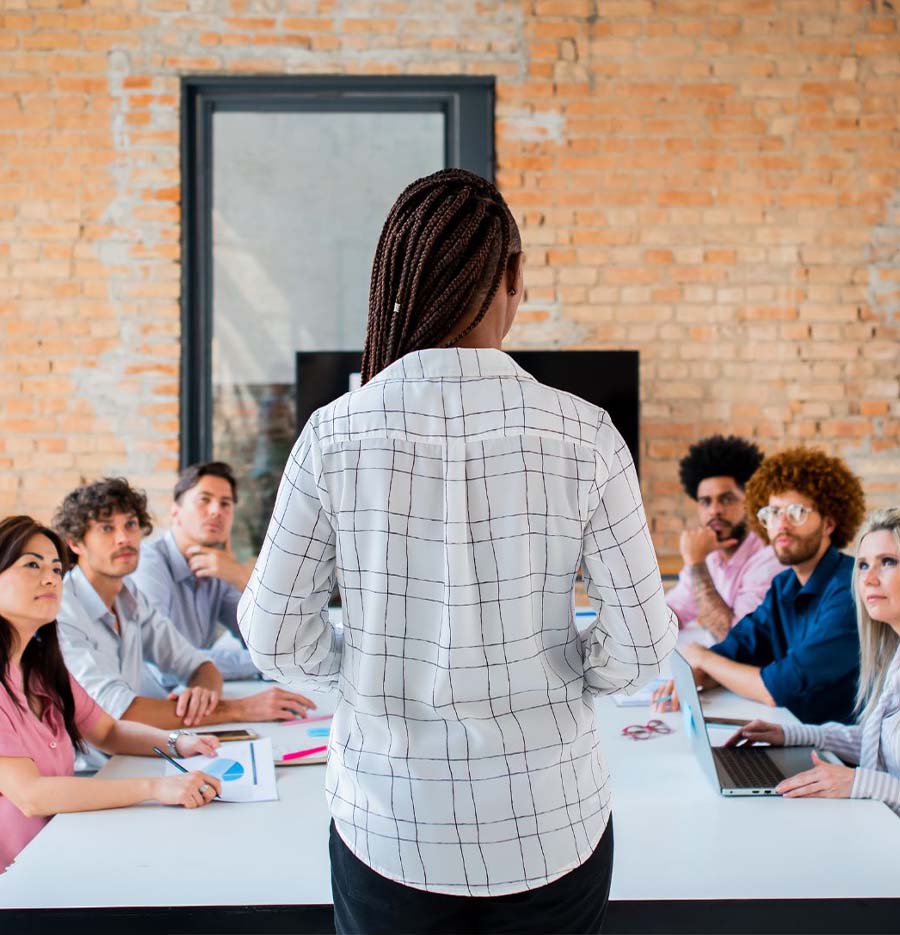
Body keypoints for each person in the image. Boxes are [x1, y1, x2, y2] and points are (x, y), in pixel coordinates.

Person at [238, 169, 677, 934]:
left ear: (397, 283)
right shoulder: (586, 434)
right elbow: (640, 647)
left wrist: (365, 670)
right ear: (513, 279)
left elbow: (273, 634)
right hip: (552, 823)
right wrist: (566, 674)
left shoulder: (332, 435)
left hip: (388, 829)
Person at [0, 516, 222, 872]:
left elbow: (107, 731)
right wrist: (156, 787)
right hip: (15, 889)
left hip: (57, 854)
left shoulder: (43, 671)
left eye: (57, 570)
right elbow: (31, 795)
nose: (51, 579)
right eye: (32, 565)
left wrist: (177, 742)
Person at [52, 478, 315, 768]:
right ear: (75, 542)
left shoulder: (129, 597)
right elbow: (118, 712)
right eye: (106, 528)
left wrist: (202, 695)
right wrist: (238, 709)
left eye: (130, 524)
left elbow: (200, 665)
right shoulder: (63, 613)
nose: (124, 538)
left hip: (138, 757)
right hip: (89, 774)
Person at [653, 447, 865, 725]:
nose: (781, 525)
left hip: (843, 757)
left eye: (796, 512)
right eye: (773, 512)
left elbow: (777, 689)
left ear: (829, 523)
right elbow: (739, 647)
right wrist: (697, 672)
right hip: (792, 733)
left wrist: (702, 659)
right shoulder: (785, 586)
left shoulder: (850, 589)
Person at [727, 508, 900, 813]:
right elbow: (881, 746)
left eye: (888, 562)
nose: (869, 579)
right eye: (862, 565)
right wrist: (795, 734)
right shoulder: (892, 655)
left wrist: (861, 783)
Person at [131, 461, 258, 680]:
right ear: (175, 512)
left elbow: (265, 642)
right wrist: (262, 666)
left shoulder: (218, 566)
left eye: (225, 503)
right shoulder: (148, 563)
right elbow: (164, 662)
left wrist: (242, 578)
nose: (216, 510)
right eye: (204, 500)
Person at [665, 435, 783, 643]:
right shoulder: (710, 555)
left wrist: (695, 563)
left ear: (750, 501)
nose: (714, 511)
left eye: (726, 499)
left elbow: (735, 639)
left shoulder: (770, 557)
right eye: (705, 502)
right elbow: (675, 610)